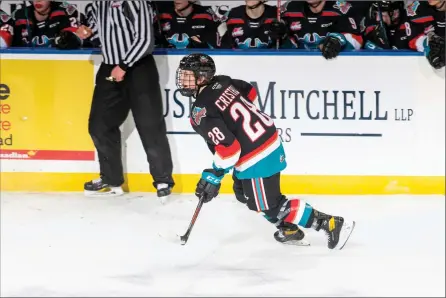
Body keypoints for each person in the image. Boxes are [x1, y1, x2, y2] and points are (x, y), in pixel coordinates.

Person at [175, 53, 355, 249]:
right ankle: (289, 230)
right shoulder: (223, 82)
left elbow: (229, 150)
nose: (182, 80)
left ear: (202, 77)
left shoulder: (200, 111)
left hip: (255, 155)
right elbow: (249, 92)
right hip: (265, 141)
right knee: (243, 193)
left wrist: (214, 175)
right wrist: (236, 120)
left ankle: (331, 224)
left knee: (270, 205)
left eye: (187, 75)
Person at [76, 1, 175, 200]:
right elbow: (97, 31)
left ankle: (163, 179)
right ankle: (111, 179)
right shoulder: (97, 4)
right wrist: (86, 32)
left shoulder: (135, 2)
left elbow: (145, 40)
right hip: (110, 68)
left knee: (149, 124)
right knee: (99, 125)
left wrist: (124, 65)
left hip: (138, 68)